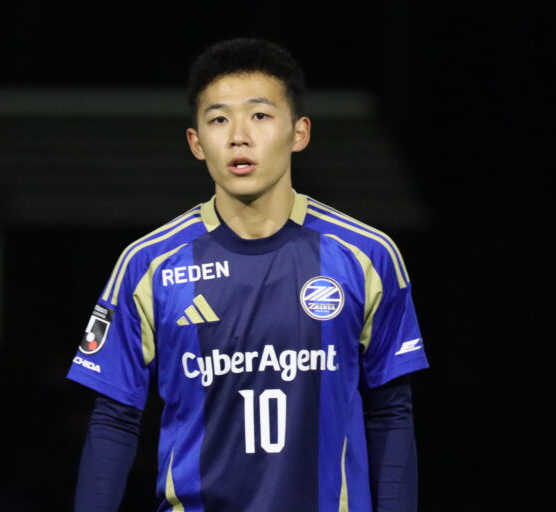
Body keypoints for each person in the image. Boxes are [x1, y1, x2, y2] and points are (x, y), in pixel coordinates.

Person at [67, 38, 429, 512]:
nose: (239, 136)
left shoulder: (367, 256)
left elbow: (391, 412)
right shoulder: (147, 265)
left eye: (259, 115)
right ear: (196, 142)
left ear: (299, 132)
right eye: (219, 119)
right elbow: (114, 419)